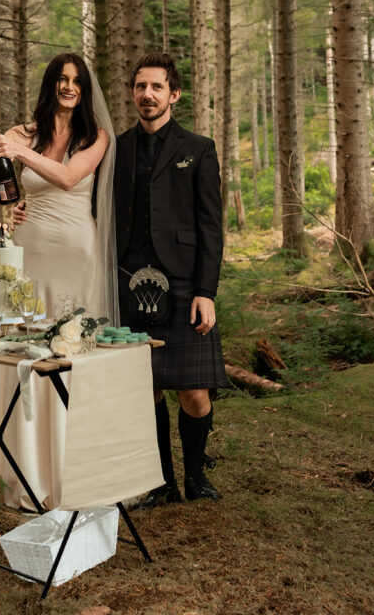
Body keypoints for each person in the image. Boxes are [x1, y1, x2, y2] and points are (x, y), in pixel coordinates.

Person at [0, 52, 118, 322]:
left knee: (75, 332)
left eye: (76, 81)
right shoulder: (24, 134)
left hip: (77, 250)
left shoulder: (95, 136)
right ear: (51, 84)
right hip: (31, 247)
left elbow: (68, 178)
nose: (68, 87)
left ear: (84, 89)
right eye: (62, 79)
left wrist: (17, 151)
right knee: (27, 329)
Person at [115, 52, 228, 506]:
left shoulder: (197, 148)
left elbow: (210, 227)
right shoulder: (116, 147)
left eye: (156, 87)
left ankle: (197, 476)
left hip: (182, 282)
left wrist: (206, 291)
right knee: (147, 390)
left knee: (194, 393)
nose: (147, 94)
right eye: (141, 86)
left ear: (173, 94)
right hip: (129, 282)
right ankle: (162, 482)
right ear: (132, 93)